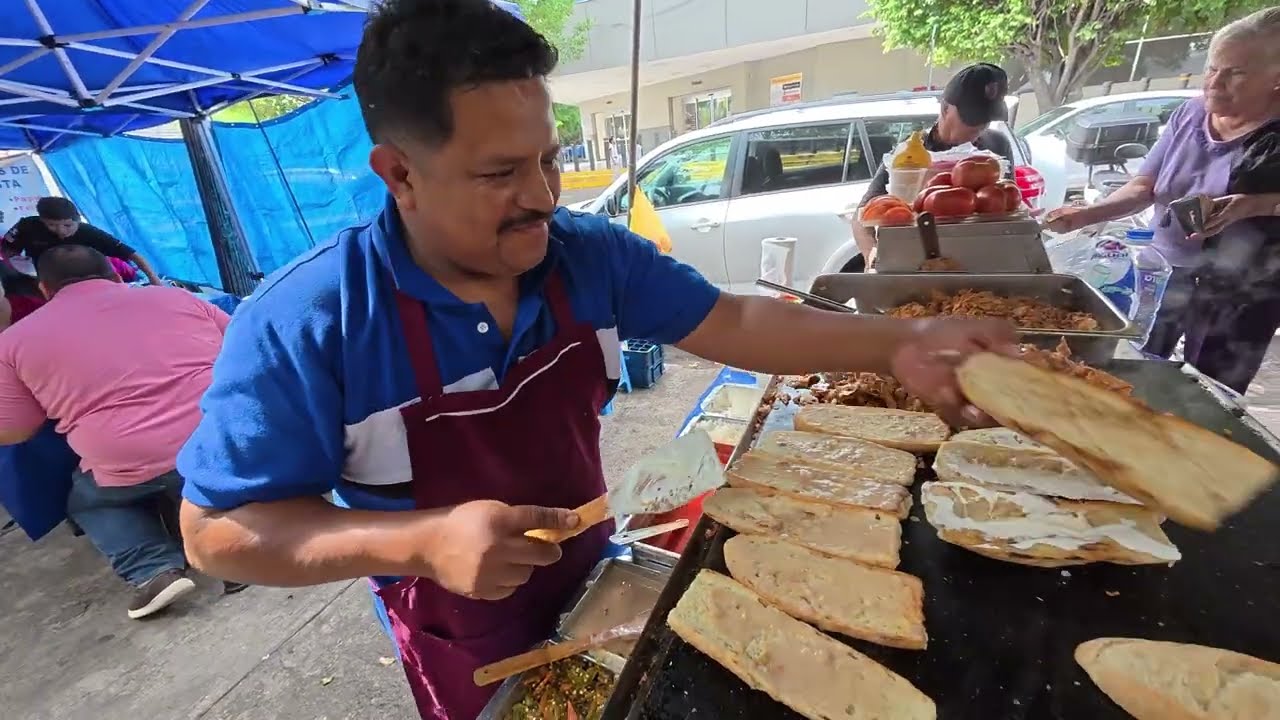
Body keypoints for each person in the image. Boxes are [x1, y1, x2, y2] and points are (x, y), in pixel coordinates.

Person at [174, 2, 1014, 718]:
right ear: (400, 173)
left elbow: (731, 320)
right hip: (454, 621)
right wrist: (424, 540)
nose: (543, 196)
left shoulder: (585, 255)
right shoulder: (307, 320)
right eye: (501, 173)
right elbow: (215, 535)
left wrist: (900, 343)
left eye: (548, 157)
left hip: (597, 573)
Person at [1045, 8, 1280, 394]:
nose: (1215, 84)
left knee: (1209, 393)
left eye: (1235, 73)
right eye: (1212, 69)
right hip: (1164, 275)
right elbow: (1144, 188)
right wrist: (1086, 214)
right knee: (1126, 376)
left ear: (1276, 79)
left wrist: (1254, 205)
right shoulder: (1189, 115)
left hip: (1243, 293)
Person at [0, 245, 234, 619]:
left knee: (86, 500)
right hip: (224, 437)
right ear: (114, 274)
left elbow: (15, 431)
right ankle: (231, 549)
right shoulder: (174, 297)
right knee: (188, 471)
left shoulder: (12, 343)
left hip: (129, 462)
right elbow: (243, 348)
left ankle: (153, 568)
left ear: (44, 289)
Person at [849, 63, 1015, 270]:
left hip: (980, 262)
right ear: (945, 108)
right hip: (919, 264)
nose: (981, 125)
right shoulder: (909, 153)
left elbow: (1009, 209)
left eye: (987, 118)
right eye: (972, 117)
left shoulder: (997, 145)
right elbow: (861, 216)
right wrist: (872, 255)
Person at [2, 197, 162, 286]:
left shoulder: (89, 233)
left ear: (77, 220)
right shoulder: (27, 225)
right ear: (42, 220)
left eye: (67, 225)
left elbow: (133, 254)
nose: (61, 231)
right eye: (51, 225)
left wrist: (154, 280)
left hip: (93, 283)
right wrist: (17, 263)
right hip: (50, 284)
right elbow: (7, 249)